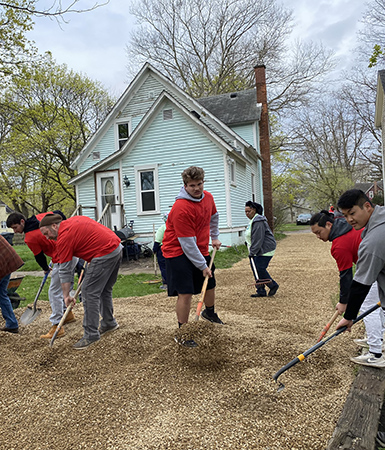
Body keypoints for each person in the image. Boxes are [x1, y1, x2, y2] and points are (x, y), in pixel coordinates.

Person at [310, 210, 385, 365]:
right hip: (378, 263)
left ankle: (376, 353)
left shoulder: (339, 245)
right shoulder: (346, 225)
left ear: (329, 225)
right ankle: (379, 339)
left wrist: (344, 302)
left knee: (368, 307)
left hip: (374, 266)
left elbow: (346, 276)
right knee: (379, 304)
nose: (318, 237)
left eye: (319, 232)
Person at [39, 213, 123, 350]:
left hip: (104, 253)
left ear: (54, 226)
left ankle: (91, 334)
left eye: (47, 233)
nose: (47, 238)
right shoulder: (75, 220)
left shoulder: (63, 238)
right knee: (104, 290)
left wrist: (66, 296)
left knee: (89, 292)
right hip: (116, 248)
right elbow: (90, 236)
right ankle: (109, 322)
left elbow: (65, 270)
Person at [162, 166, 222, 348]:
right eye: (192, 185)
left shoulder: (209, 198)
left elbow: (214, 217)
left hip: (200, 247)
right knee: (186, 292)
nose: (197, 188)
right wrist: (203, 265)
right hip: (176, 251)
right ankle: (182, 332)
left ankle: (209, 313)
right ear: (185, 186)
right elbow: (187, 243)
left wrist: (215, 236)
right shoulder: (181, 208)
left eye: (199, 184)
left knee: (210, 283)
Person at [6, 211, 78, 339]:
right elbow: (58, 213)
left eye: (15, 227)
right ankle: (67, 315)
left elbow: (38, 256)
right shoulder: (40, 218)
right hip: (73, 251)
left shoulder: (30, 237)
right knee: (65, 286)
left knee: (53, 291)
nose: (15, 231)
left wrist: (45, 268)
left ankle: (57, 325)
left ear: (22, 222)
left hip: (62, 256)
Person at [336, 189, 385, 368]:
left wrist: (349, 317)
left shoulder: (374, 240)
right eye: (345, 215)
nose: (349, 219)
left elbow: (361, 284)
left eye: (352, 213)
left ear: (367, 206)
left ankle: (376, 353)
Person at [244, 201, 279, 297]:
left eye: (249, 211)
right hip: (256, 250)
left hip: (265, 249)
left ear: (254, 210)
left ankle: (273, 285)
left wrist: (252, 251)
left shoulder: (258, 221)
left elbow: (258, 238)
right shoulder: (253, 221)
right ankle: (261, 291)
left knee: (260, 268)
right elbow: (251, 236)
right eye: (245, 212)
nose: (247, 214)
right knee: (255, 268)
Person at [0, 235, 24, 333]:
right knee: (1, 295)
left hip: (2, 264)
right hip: (8, 262)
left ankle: (12, 324)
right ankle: (12, 324)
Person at [152, 214, 168, 290]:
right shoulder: (176, 227)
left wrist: (154, 250)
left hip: (163, 249)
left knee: (164, 267)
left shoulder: (162, 228)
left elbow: (157, 241)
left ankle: (166, 284)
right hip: (174, 248)